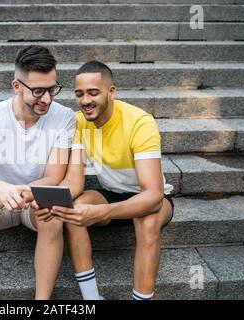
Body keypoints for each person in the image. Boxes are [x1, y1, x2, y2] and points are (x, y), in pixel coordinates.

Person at [34, 61, 174, 300]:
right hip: (111, 192)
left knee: (147, 221)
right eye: (79, 94)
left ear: (111, 92)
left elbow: (152, 196)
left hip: (152, 198)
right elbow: (75, 182)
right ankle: (92, 299)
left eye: (93, 92)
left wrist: (101, 213)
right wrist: (47, 200)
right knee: (72, 210)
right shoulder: (78, 122)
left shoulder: (140, 122)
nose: (85, 100)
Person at [0, 45, 76, 300]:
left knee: (54, 217)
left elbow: (53, 177)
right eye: (38, 91)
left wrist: (6, 197)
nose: (47, 99)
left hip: (34, 201)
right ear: (17, 86)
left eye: (52, 89)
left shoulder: (64, 116)